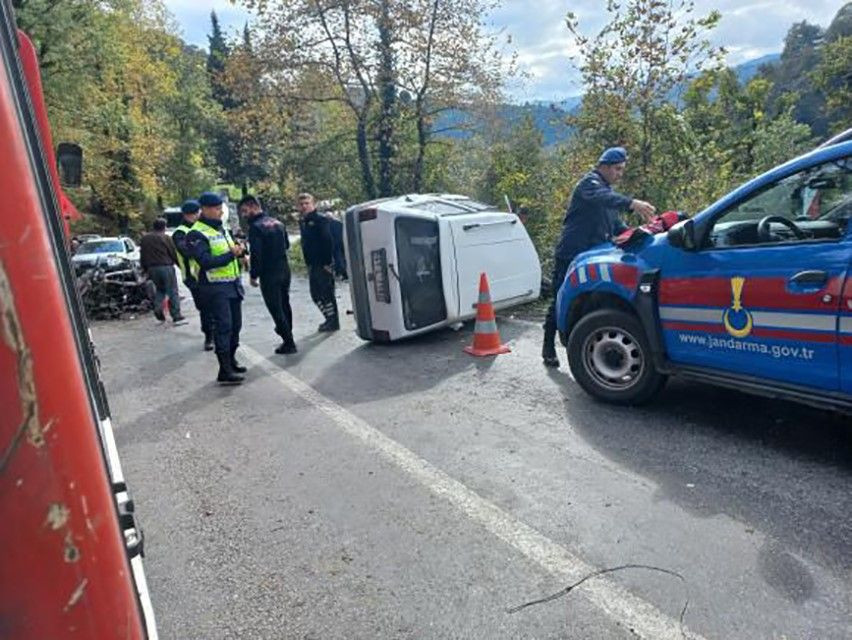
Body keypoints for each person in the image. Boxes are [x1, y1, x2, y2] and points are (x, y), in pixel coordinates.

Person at [542, 146, 656, 368]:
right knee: (559, 299)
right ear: (604, 166)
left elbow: (617, 227)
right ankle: (548, 347)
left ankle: (582, 345)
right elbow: (604, 198)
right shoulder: (590, 184)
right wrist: (633, 203)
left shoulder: (608, 196)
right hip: (571, 253)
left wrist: (642, 233)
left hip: (592, 258)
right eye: (617, 169)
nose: (619, 174)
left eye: (622, 169)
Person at [186, 192, 247, 385]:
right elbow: (205, 261)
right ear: (204, 209)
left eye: (221, 208)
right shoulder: (196, 233)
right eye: (216, 208)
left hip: (232, 285)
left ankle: (231, 360)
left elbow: (230, 249)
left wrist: (241, 254)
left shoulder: (221, 228)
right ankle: (225, 370)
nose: (221, 212)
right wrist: (231, 255)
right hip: (214, 288)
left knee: (236, 326)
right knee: (224, 328)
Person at [239, 195, 297, 355]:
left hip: (269, 273)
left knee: (275, 307)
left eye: (245, 211)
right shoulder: (278, 223)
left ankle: (289, 342)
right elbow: (286, 245)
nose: (244, 215)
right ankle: (288, 333)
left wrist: (253, 275)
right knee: (285, 303)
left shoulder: (256, 228)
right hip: (284, 269)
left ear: (253, 207)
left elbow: (257, 254)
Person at [172, 199, 215, 350]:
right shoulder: (180, 233)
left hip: (210, 274)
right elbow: (187, 252)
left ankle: (216, 334)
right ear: (187, 215)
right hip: (193, 277)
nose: (198, 215)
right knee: (205, 308)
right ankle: (209, 337)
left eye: (198, 212)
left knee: (214, 306)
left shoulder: (204, 228)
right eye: (195, 213)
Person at [297, 192, 339, 331]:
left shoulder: (320, 220)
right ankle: (329, 318)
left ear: (313, 204)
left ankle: (333, 321)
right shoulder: (303, 221)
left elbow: (328, 241)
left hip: (322, 263)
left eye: (307, 203)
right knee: (316, 295)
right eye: (301, 204)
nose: (304, 206)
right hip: (312, 264)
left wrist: (327, 263)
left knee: (326, 293)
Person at [140, 217, 185, 324]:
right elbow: (172, 253)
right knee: (173, 291)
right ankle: (176, 314)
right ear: (164, 227)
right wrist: (181, 266)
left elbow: (143, 254)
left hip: (152, 268)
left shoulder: (145, 239)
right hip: (166, 266)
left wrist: (144, 269)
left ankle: (158, 308)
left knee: (160, 290)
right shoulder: (166, 238)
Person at [326, 210, 348, 280]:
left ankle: (341, 272)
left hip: (335, 244)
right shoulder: (339, 223)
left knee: (338, 258)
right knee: (344, 257)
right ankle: (345, 272)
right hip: (342, 242)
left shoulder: (327, 225)